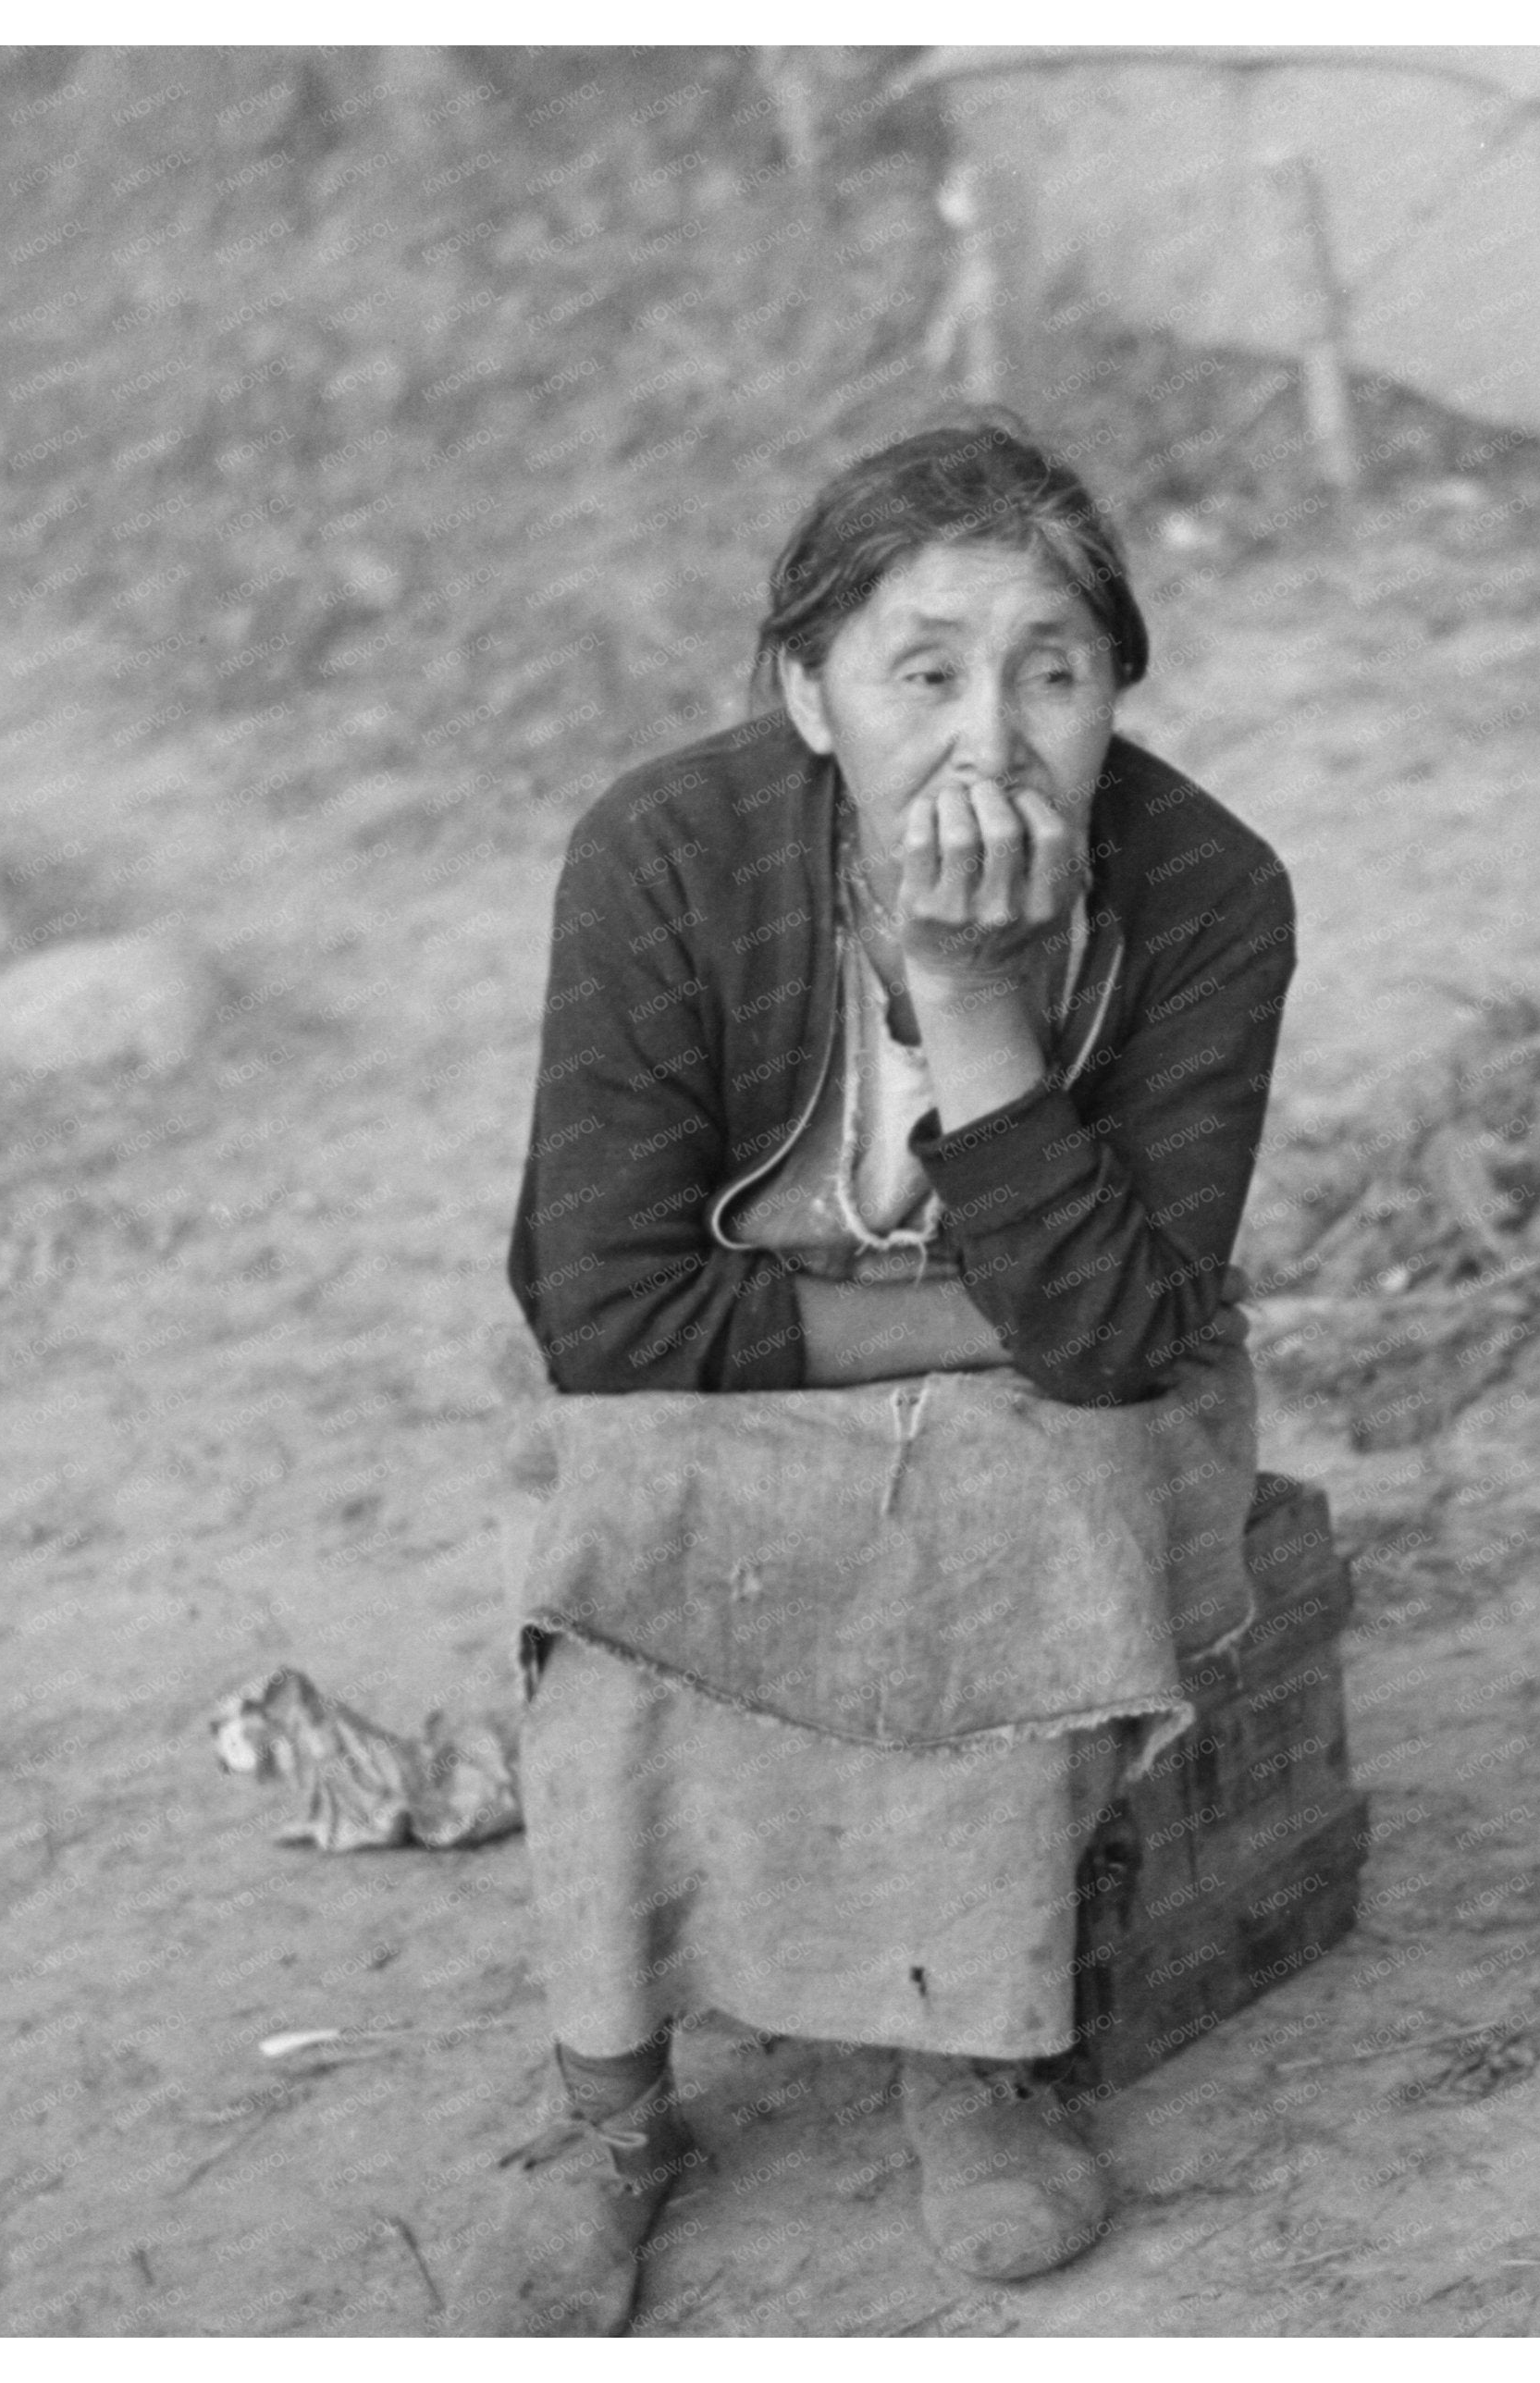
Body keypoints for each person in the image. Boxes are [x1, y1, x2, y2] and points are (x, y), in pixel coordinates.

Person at [473, 421, 1296, 2334]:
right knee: (637, 1493)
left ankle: (974, 2055)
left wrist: (975, 993)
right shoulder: (665, 855)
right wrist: (974, 1321)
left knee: (1045, 1483)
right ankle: (606, 2111)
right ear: (808, 696)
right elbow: (600, 1310)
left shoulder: (1211, 892)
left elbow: (1115, 1350)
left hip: (1056, 1382)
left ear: (1117, 702)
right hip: (778, 1366)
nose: (990, 739)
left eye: (1054, 673)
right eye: (922, 672)